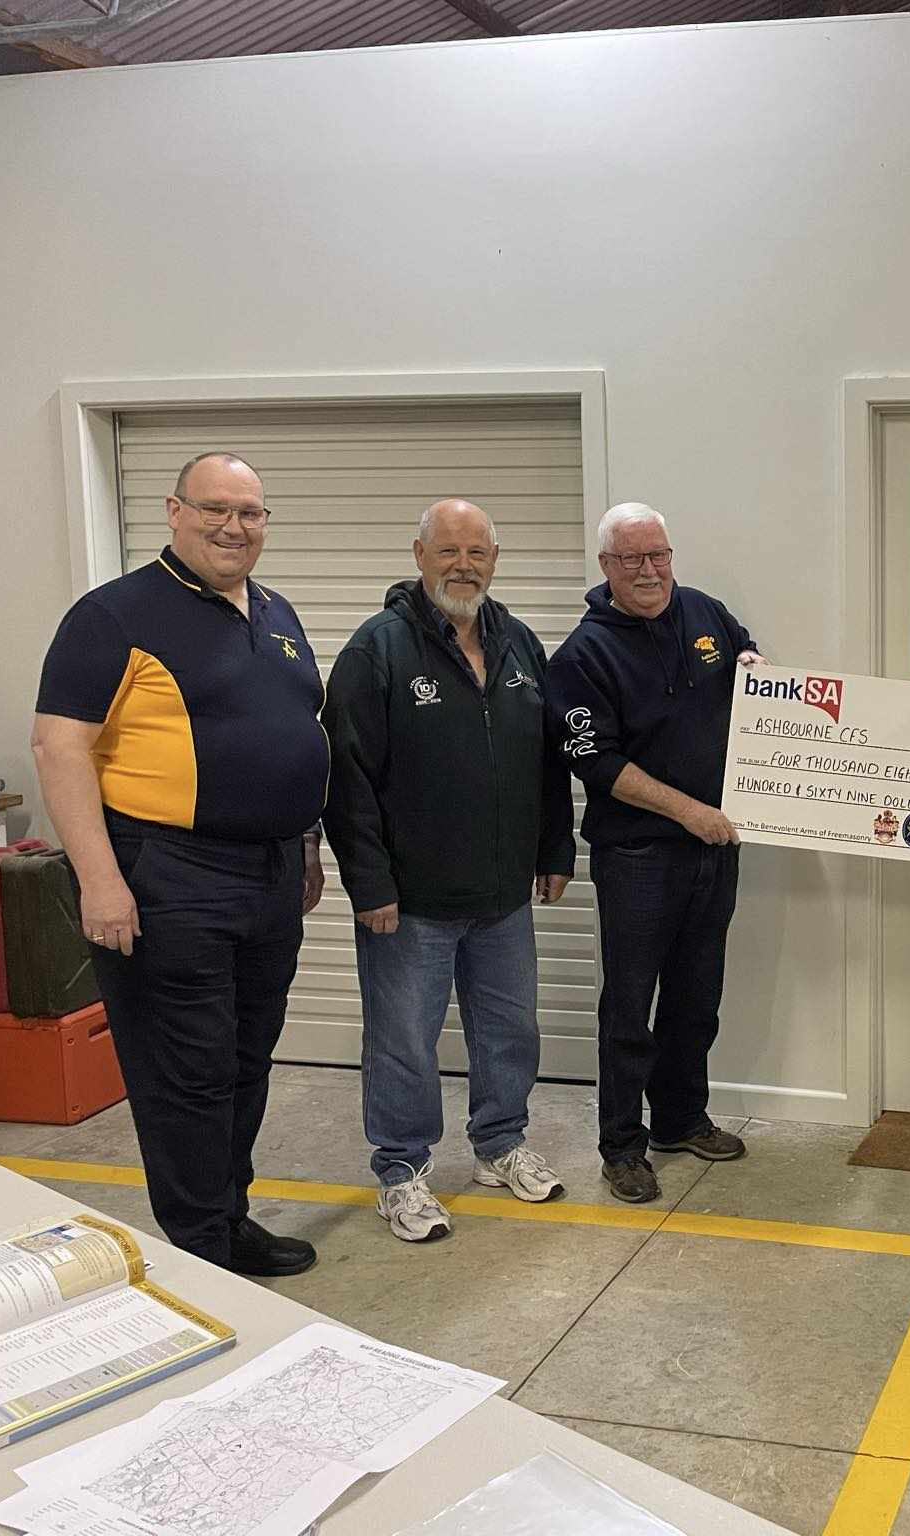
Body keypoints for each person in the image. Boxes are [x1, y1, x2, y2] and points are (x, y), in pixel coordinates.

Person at [31, 452, 328, 1275]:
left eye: (251, 513)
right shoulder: (114, 614)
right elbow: (60, 748)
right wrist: (99, 880)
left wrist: (303, 845)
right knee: (185, 1072)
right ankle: (200, 1249)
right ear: (173, 510)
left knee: (244, 1058)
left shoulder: (273, 610)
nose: (234, 527)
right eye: (215, 509)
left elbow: (295, 731)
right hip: (168, 874)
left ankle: (227, 1216)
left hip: (268, 875)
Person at [320, 499, 578, 1243]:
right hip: (411, 903)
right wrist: (370, 885)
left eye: (477, 553)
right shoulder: (379, 650)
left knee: (511, 1030)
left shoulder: (519, 643)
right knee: (403, 1041)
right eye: (448, 551)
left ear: (496, 560)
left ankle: (499, 1145)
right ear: (418, 555)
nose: (463, 565)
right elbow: (349, 777)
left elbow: (549, 759)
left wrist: (554, 851)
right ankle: (401, 1171)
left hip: (502, 896)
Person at [544, 503, 763, 1204]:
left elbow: (747, 658)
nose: (650, 571)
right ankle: (622, 1146)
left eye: (659, 555)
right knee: (631, 1007)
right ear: (606, 568)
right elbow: (597, 763)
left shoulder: (705, 613)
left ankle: (679, 1118)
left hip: (714, 848)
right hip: (639, 855)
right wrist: (689, 812)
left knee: (698, 996)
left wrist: (757, 666)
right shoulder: (582, 657)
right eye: (632, 560)